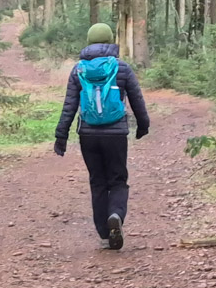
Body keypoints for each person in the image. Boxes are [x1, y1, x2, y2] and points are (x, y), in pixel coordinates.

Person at [54, 22, 150, 250]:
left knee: (97, 181)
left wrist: (61, 135)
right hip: (116, 133)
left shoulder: (79, 69)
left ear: (89, 42)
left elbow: (69, 105)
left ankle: (104, 232)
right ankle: (115, 214)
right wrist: (143, 125)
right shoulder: (122, 68)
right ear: (109, 41)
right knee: (117, 179)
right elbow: (137, 99)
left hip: (88, 134)